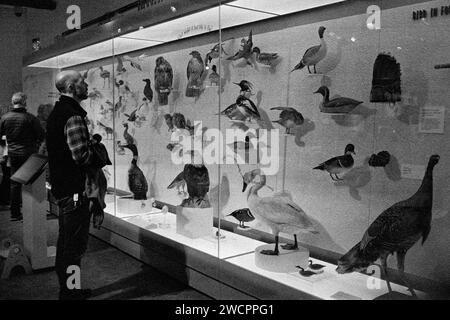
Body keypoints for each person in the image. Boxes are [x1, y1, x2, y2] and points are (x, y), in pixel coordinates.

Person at [46, 70, 104, 300]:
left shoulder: (58, 112)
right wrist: (97, 151)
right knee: (74, 245)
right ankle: (70, 293)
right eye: (82, 81)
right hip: (75, 191)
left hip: (64, 188)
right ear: (71, 87)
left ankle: (69, 289)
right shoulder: (72, 115)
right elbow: (81, 156)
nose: (86, 84)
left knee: (66, 240)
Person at [0, 93, 44, 221]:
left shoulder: (5, 118)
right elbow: (41, 136)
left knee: (15, 185)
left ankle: (15, 214)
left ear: (13, 102)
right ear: (24, 102)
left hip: (13, 155)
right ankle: (33, 213)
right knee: (32, 184)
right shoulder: (31, 118)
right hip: (30, 154)